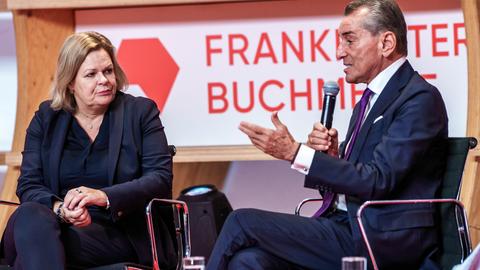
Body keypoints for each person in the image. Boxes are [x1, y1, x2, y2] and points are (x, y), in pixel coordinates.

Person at [207, 0, 448, 269]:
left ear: (386, 43)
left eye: (349, 40)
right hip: (346, 225)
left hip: (380, 238)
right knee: (248, 261)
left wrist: (296, 153)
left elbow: (378, 180)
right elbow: (360, 176)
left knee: (242, 221)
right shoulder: (370, 100)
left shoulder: (419, 99)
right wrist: (333, 157)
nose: (338, 52)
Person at [0, 31, 174, 269]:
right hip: (52, 223)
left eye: (108, 71)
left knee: (35, 249)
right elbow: (29, 184)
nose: (104, 80)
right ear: (70, 82)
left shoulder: (140, 113)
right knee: (31, 216)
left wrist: (104, 197)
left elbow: (159, 179)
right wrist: (60, 210)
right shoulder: (46, 118)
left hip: (116, 233)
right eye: (91, 74)